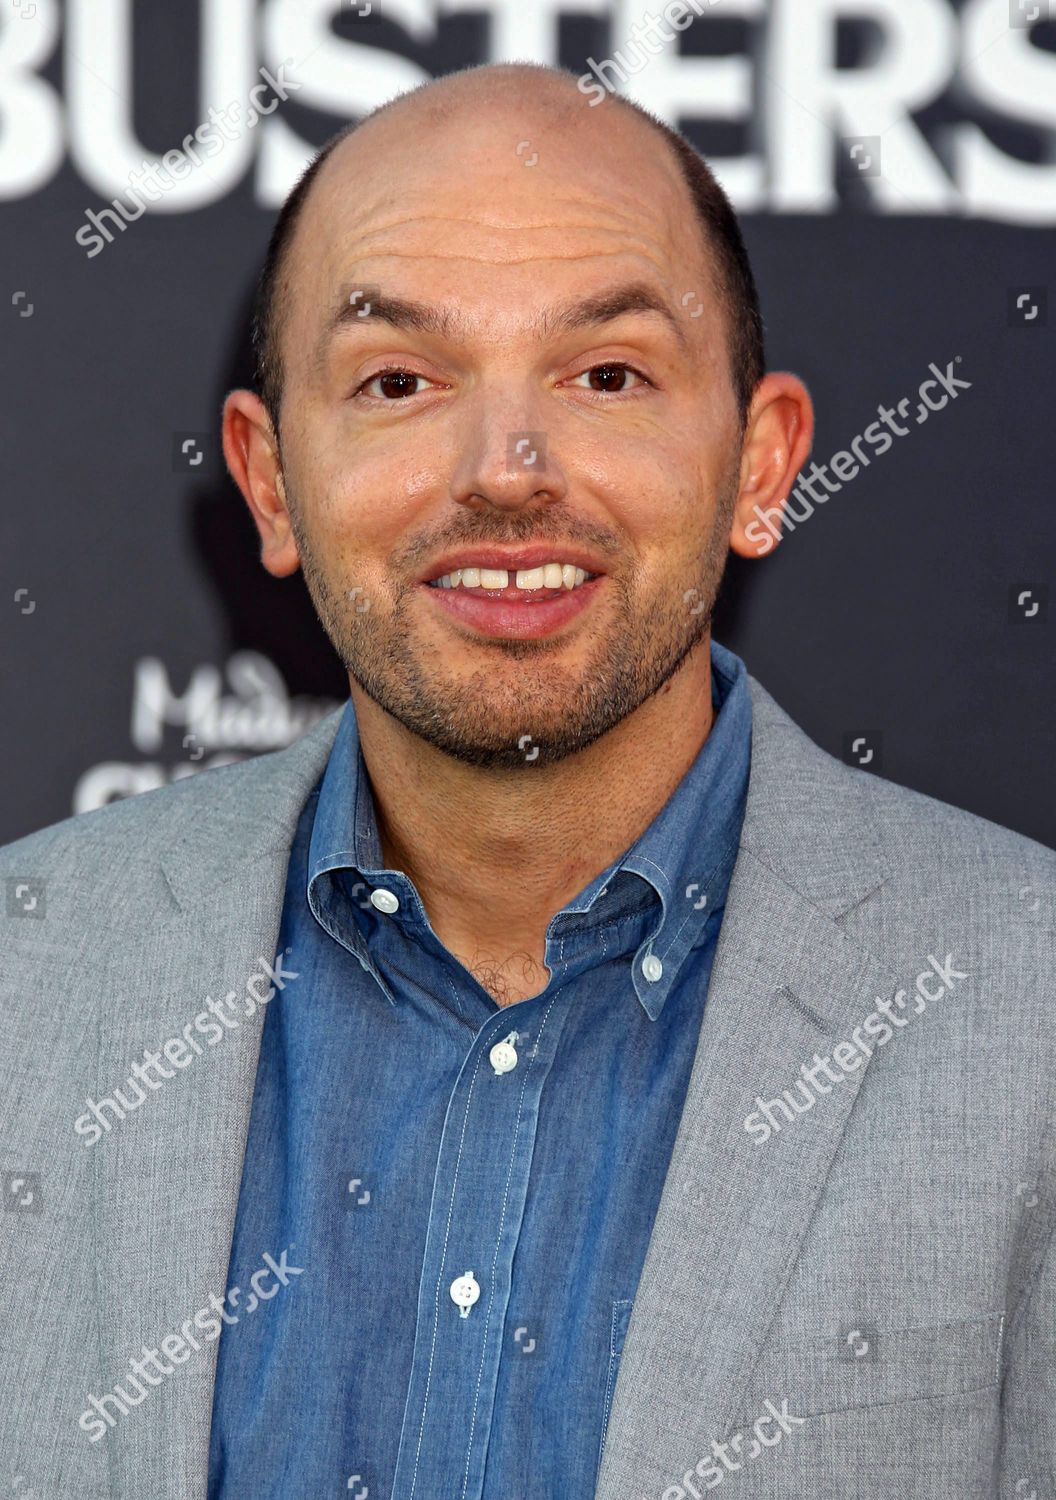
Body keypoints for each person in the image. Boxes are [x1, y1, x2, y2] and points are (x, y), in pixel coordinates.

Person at [1, 60, 1052, 1500]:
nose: (505, 470)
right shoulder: (28, 976)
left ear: (761, 464)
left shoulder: (1028, 1006)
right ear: (268, 483)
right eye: (398, 381)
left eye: (608, 374)